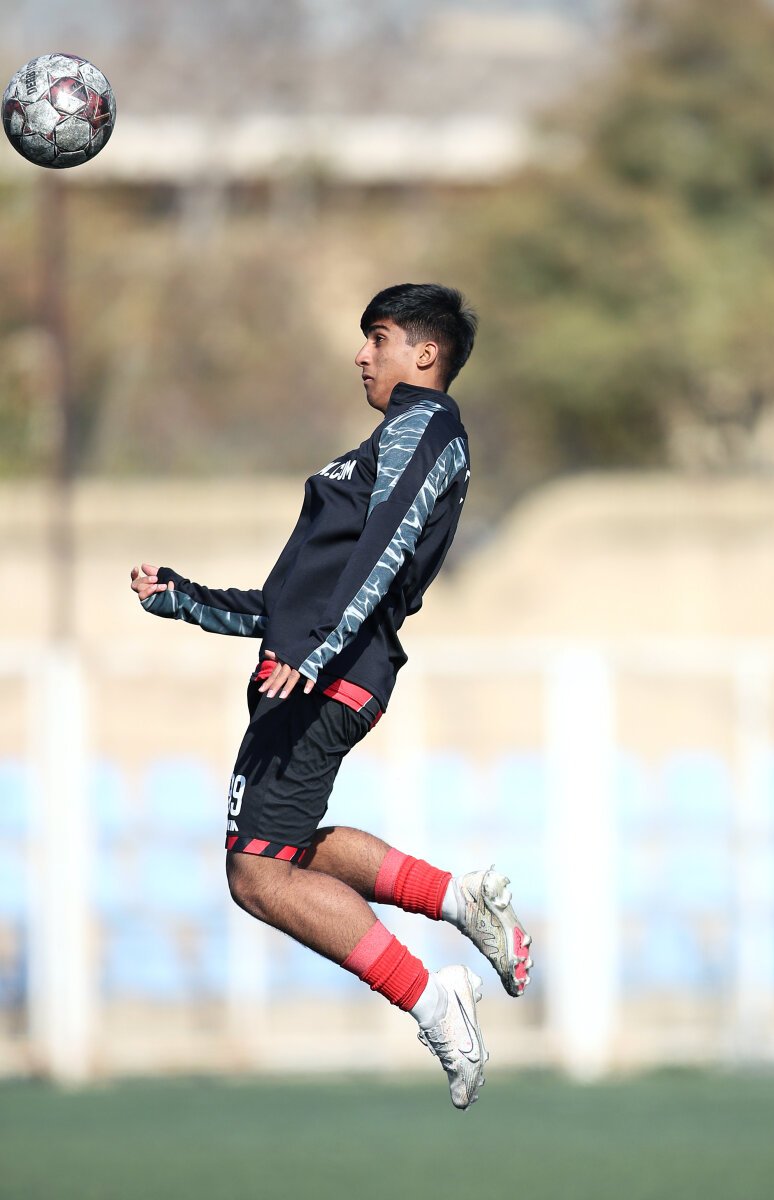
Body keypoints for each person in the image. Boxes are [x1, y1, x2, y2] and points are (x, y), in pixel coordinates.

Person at [130, 282, 531, 1109]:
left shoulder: (426, 425)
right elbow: (287, 602)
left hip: (330, 671)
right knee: (285, 851)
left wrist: (315, 651)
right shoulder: (381, 444)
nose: (362, 355)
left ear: (425, 353)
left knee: (255, 874)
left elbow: (385, 551)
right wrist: (185, 597)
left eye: (378, 338)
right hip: (317, 666)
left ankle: (433, 1000)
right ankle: (459, 899)